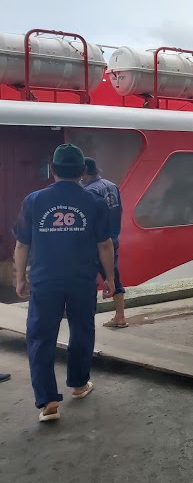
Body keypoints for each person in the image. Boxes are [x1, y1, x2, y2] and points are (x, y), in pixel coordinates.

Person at [13, 144, 115, 423]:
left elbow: (22, 245)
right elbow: (104, 245)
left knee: (40, 337)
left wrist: (20, 277)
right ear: (83, 171)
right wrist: (110, 278)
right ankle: (79, 385)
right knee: (82, 330)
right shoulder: (95, 201)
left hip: (45, 281)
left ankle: (47, 402)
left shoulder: (33, 200)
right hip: (82, 279)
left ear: (53, 170)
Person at [81, 157, 126, 329]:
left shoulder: (90, 191)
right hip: (113, 238)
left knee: (89, 279)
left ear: (84, 172)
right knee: (113, 276)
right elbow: (120, 210)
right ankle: (120, 315)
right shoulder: (111, 185)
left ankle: (85, 319)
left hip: (97, 242)